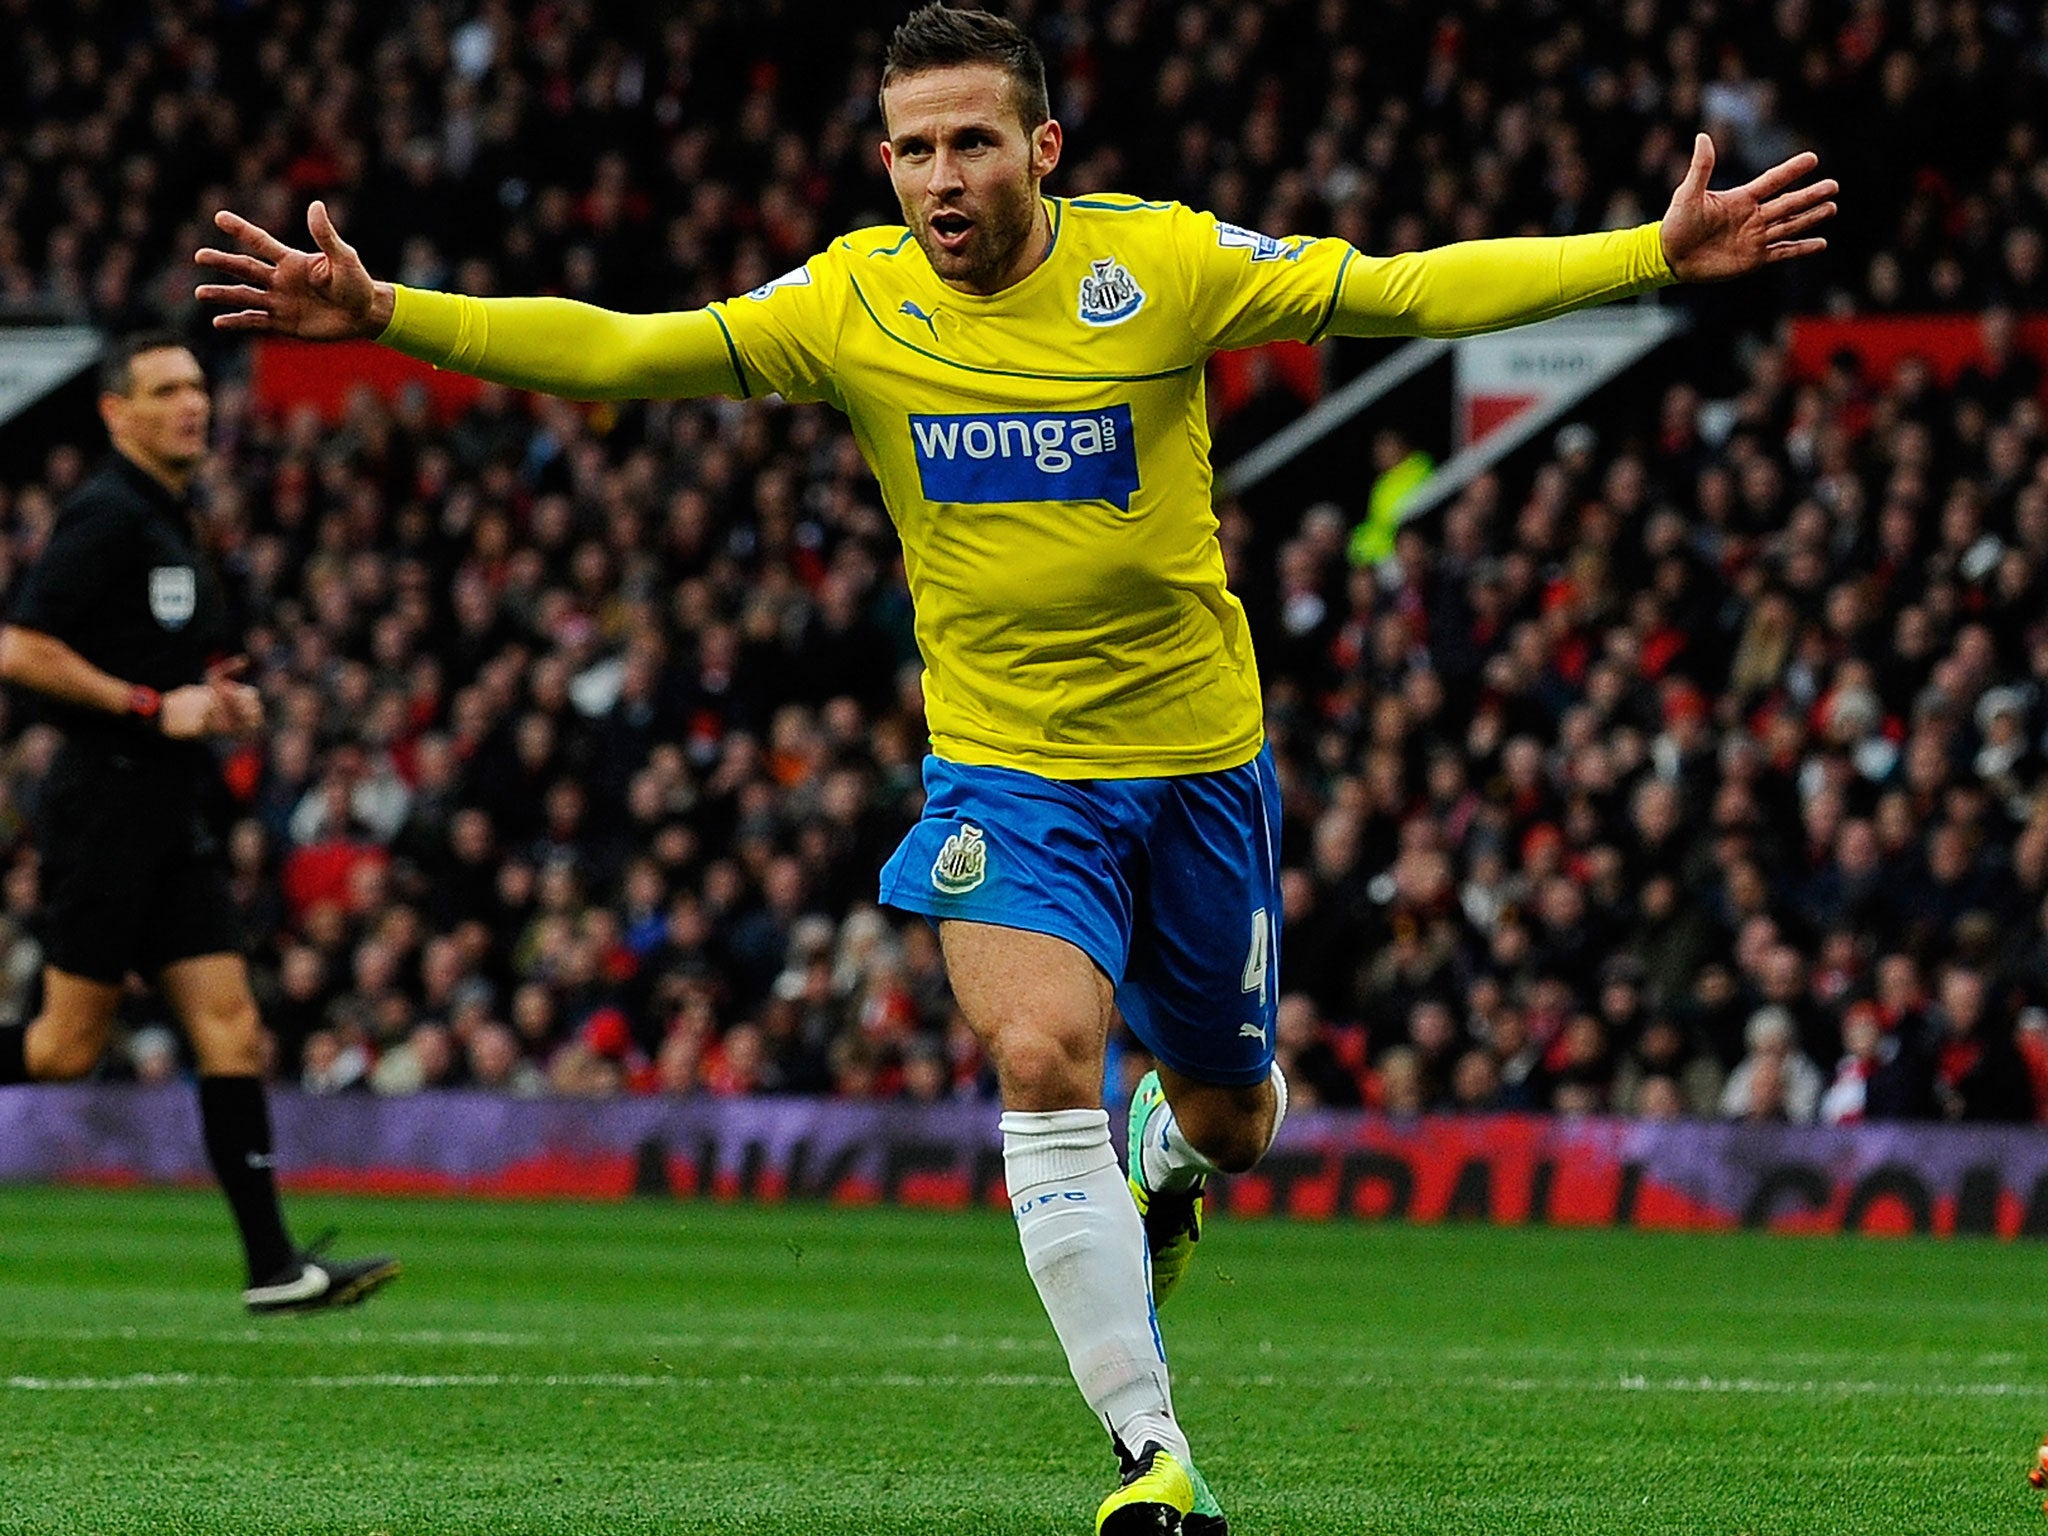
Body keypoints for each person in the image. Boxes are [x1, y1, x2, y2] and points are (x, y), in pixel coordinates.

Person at [195, 6, 1835, 1528]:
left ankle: (1173, 1154)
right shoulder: (849, 299)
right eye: (910, 150)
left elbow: (1405, 290)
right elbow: (625, 350)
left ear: (1042, 148)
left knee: (1234, 1113)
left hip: (1196, 766)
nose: (938, 180)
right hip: (1003, 775)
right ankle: (1151, 1452)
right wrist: (387, 314)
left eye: (969, 143)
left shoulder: (1165, 268)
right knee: (1037, 1057)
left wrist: (1650, 253)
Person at [0, 331, 399, 1315]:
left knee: (232, 1027)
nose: (194, 404)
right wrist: (149, 705)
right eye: (166, 389)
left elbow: (175, 661)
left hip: (168, 807)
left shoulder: (171, 518)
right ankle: (272, 1262)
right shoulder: (104, 516)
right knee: (61, 1050)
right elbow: (20, 648)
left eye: (196, 387)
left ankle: (274, 1267)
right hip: (104, 801)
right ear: (115, 411)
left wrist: (215, 699)